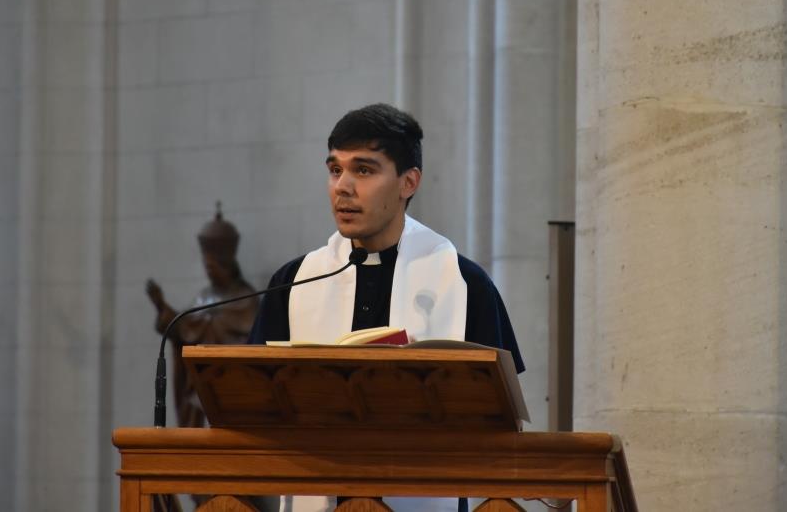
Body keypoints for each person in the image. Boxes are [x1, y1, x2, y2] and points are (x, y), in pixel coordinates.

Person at [249, 103, 523, 512]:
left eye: (363, 170)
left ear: (408, 182)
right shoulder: (294, 281)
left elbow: (503, 421)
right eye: (334, 169)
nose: (343, 186)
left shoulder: (463, 283)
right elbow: (252, 399)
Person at [147, 203, 259, 430]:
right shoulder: (203, 296)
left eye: (212, 266)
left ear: (225, 265)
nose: (209, 271)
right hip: (200, 390)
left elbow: (251, 342)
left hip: (231, 390)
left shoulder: (245, 298)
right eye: (206, 266)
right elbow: (187, 328)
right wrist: (161, 306)